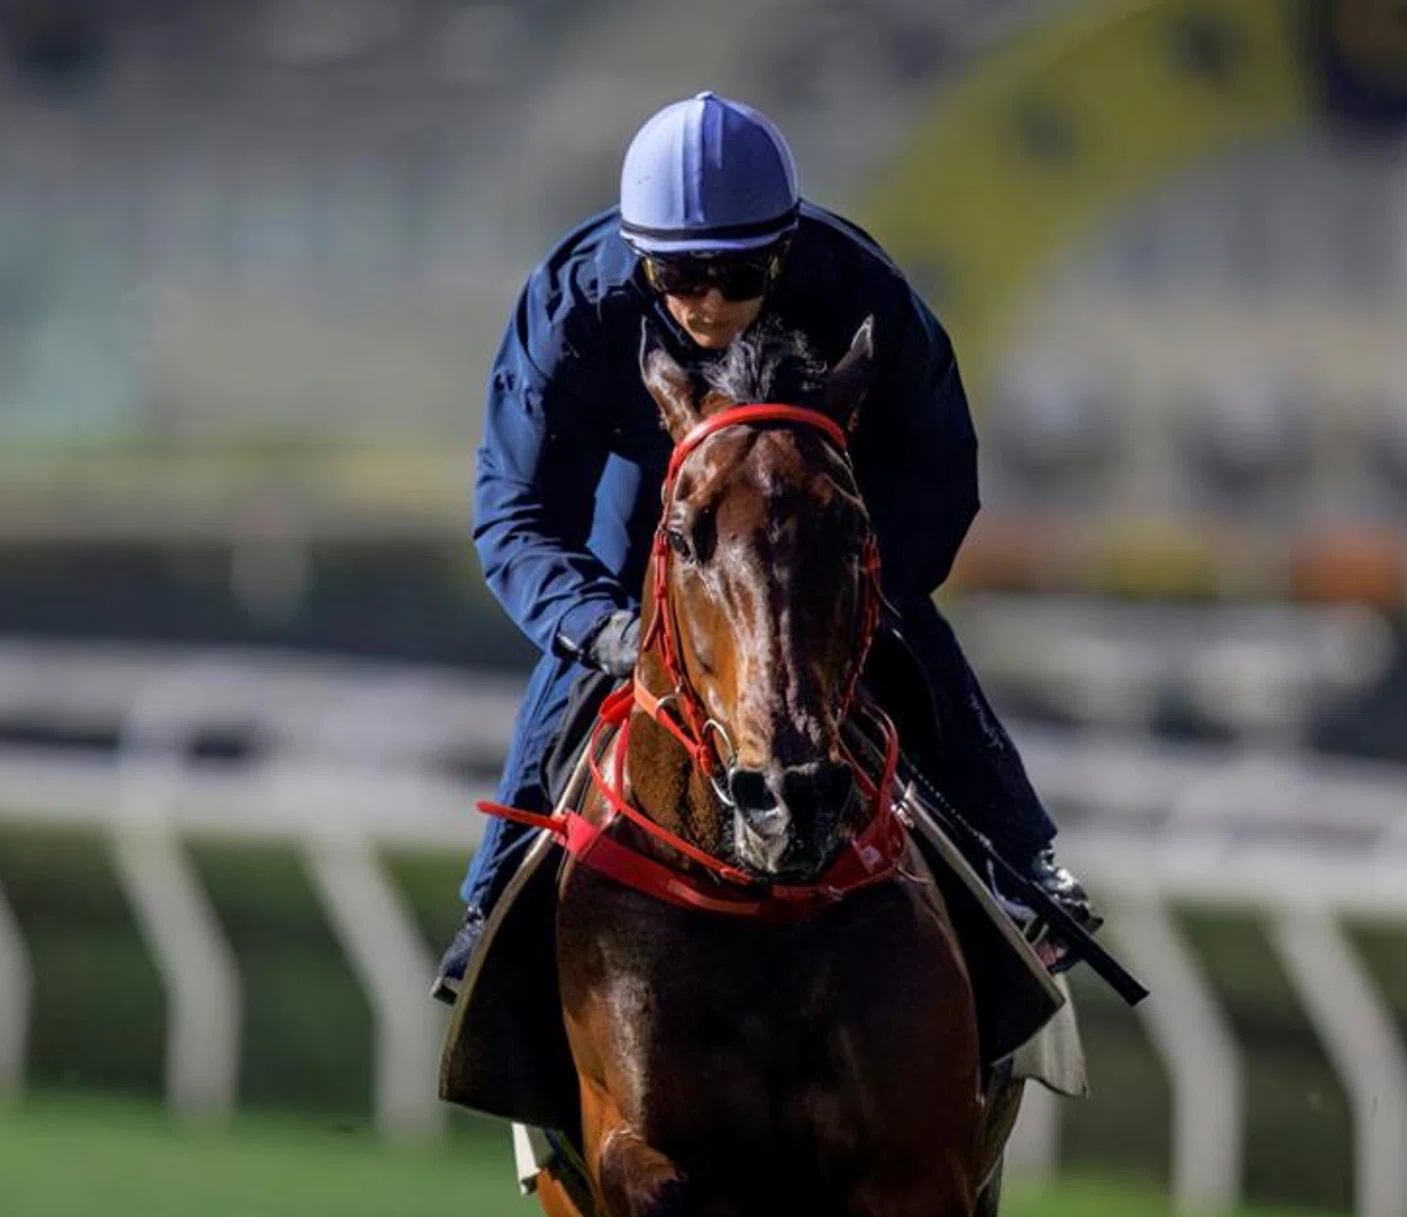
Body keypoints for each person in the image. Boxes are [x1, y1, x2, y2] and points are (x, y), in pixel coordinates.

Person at [435, 92, 1092, 1002]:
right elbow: (515, 512)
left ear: (783, 252)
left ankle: (1023, 866)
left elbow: (939, 473)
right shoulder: (574, 301)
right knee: (601, 632)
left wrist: (852, 600)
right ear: (638, 260)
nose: (708, 302)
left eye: (739, 276)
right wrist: (607, 631)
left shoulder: (862, 290)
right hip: (648, 500)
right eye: (679, 277)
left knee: (906, 632)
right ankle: (494, 898)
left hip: (813, 514)